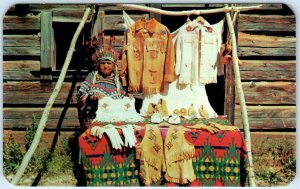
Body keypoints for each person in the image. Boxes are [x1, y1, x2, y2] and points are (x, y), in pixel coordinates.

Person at [77, 49, 126, 129]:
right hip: (94, 119)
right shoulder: (92, 76)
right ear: (98, 64)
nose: (106, 66)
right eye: (103, 63)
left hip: (114, 120)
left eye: (109, 63)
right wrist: (91, 97)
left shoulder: (117, 80)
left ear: (113, 65)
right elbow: (80, 94)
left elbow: (123, 98)